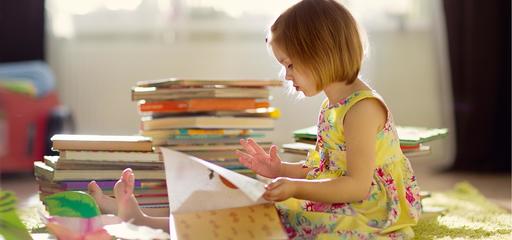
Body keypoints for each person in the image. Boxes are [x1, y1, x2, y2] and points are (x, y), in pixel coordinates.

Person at [89, 0, 421, 238]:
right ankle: (142, 218)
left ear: (321, 54)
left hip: (367, 218)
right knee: (248, 204)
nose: (285, 74)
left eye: (290, 64)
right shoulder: (333, 106)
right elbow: (326, 170)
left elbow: (357, 185)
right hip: (341, 201)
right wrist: (281, 172)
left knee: (261, 220)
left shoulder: (361, 111)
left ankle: (145, 221)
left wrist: (294, 186)